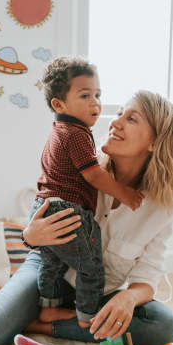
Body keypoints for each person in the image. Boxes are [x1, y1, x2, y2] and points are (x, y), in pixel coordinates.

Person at [0, 90, 173, 345]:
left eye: (131, 119)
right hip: (49, 271)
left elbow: (148, 275)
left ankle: (41, 325)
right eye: (118, 113)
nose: (114, 122)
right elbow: (37, 221)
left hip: (100, 292)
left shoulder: (163, 204)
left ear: (155, 141)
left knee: (163, 326)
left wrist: (129, 297)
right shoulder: (82, 165)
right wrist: (30, 236)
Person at [28, 57, 143, 327]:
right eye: (85, 95)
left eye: (98, 95)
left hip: (43, 206)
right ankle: (88, 316)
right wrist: (124, 194)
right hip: (66, 209)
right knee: (90, 266)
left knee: (52, 264)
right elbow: (92, 174)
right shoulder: (76, 133)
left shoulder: (58, 130)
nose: (95, 103)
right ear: (59, 104)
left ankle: (49, 307)